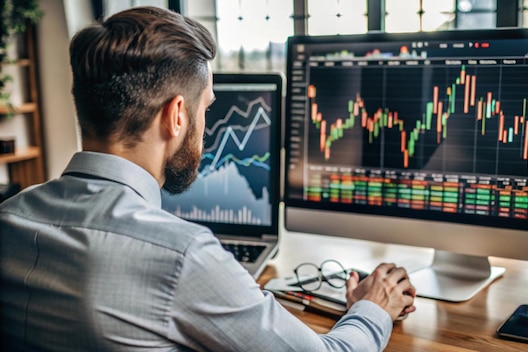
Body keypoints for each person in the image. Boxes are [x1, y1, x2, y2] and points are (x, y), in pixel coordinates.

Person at [0, 6, 416, 351]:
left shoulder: (10, 217)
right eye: (207, 108)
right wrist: (375, 306)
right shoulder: (182, 256)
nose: (205, 123)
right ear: (177, 115)